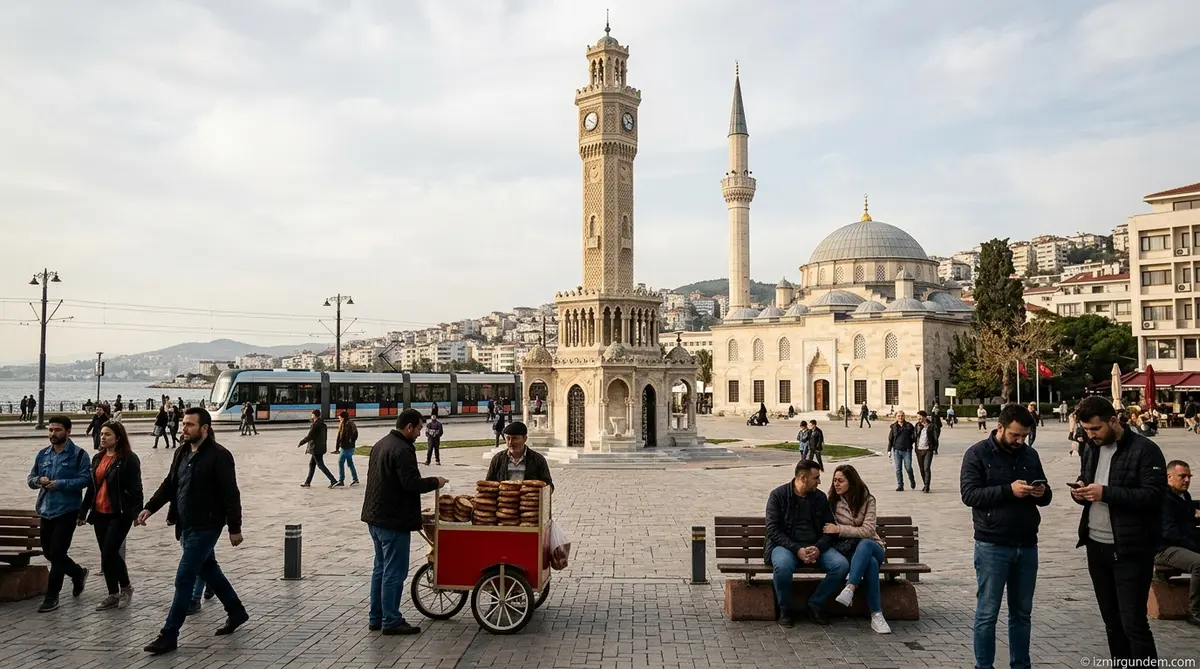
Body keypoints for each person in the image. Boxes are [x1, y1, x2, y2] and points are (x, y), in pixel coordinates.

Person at [138, 407, 248, 655]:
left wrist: (235, 528)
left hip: (207, 525)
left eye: (189, 424)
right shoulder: (182, 452)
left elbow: (231, 494)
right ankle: (236, 611)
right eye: (183, 424)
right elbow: (170, 484)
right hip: (185, 524)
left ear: (204, 428)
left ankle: (169, 635)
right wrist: (149, 508)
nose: (184, 428)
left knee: (184, 577)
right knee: (209, 570)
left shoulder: (220, 456)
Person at [1070, 395, 1167, 663]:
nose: (1091, 435)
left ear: (1114, 421)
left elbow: (1154, 496)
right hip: (1096, 545)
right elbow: (1089, 481)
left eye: (1096, 429)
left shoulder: (1145, 450)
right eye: (1086, 430)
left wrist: (1106, 493)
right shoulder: (1091, 448)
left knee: (1133, 623)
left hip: (1131, 549)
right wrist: (1081, 491)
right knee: (1111, 623)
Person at [960, 403, 1050, 669]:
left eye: (1024, 436)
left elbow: (1046, 495)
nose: (1020, 441)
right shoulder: (977, 454)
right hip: (992, 543)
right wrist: (1008, 490)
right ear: (1000, 427)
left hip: (1027, 542)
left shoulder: (1030, 454)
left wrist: (1041, 492)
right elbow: (970, 495)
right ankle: (984, 665)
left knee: (1022, 613)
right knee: (987, 613)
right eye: (1015, 435)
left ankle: (1021, 665)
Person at [360, 409, 447, 635]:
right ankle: (391, 620)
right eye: (418, 428)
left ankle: (376, 617)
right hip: (393, 520)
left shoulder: (380, 444)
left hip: (375, 517)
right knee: (394, 572)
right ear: (409, 427)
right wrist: (435, 481)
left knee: (380, 569)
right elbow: (411, 483)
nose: (420, 433)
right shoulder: (402, 449)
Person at [764, 460, 842, 627]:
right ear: (802, 478)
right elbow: (772, 530)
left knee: (841, 565)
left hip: (816, 547)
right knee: (782, 566)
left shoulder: (820, 497)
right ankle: (786, 610)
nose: (819, 482)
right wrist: (796, 549)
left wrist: (819, 548)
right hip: (785, 547)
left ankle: (816, 604)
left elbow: (829, 529)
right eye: (816, 478)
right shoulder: (778, 495)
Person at [27, 415, 92, 613]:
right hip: (46, 510)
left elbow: (85, 479)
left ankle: (52, 596)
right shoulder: (43, 454)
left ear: (68, 432)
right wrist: (39, 481)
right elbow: (31, 478)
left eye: (57, 430)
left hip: (67, 510)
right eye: (51, 430)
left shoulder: (79, 455)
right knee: (49, 553)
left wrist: (61, 484)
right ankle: (77, 573)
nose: (53, 434)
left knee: (57, 553)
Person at [77, 420, 142, 611]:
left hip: (119, 513)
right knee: (105, 555)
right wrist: (83, 510)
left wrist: (137, 512)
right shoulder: (98, 458)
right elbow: (92, 487)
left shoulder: (129, 459)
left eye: (107, 434)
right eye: (102, 434)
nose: (103, 437)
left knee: (109, 551)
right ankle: (112, 593)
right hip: (99, 512)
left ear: (118, 437)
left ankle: (126, 587)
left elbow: (136, 487)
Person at [824, 465, 891, 634]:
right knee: (871, 564)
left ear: (851, 482)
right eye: (834, 480)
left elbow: (868, 531)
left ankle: (851, 587)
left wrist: (840, 529)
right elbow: (828, 528)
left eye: (841, 480)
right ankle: (876, 615)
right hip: (850, 551)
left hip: (873, 546)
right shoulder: (831, 501)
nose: (836, 484)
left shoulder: (868, 500)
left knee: (866, 544)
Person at [1155, 460, 1200, 626]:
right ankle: (1195, 612)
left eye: (1189, 476)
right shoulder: (1163, 499)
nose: (1187, 480)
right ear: (1169, 477)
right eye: (1182, 476)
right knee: (1198, 564)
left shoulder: (1183, 495)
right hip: (1164, 549)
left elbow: (1187, 515)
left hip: (1182, 543)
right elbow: (1171, 534)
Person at [486, 422, 554, 487]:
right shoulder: (498, 459)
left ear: (525, 439)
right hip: (503, 495)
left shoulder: (538, 460)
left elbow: (548, 485)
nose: (510, 442)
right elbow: (488, 483)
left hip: (529, 496)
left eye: (515, 438)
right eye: (508, 438)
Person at [298, 409, 336, 488]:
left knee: (320, 465)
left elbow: (310, 436)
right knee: (312, 464)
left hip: (316, 448)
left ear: (314, 415)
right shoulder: (323, 424)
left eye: (312, 414)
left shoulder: (315, 425)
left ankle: (333, 480)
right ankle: (307, 482)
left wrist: (301, 442)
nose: (311, 416)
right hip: (321, 447)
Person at [887, 411, 916, 491]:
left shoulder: (909, 426)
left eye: (902, 416)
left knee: (908, 467)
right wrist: (889, 450)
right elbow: (890, 439)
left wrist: (909, 443)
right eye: (899, 416)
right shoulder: (894, 427)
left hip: (907, 450)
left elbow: (914, 436)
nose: (900, 417)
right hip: (896, 450)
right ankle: (900, 485)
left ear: (904, 416)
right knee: (898, 469)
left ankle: (912, 479)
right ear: (896, 417)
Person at [914, 410, 939, 493]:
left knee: (926, 468)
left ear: (924, 417)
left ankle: (927, 486)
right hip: (919, 450)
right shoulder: (917, 425)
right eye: (917, 418)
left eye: (920, 417)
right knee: (921, 469)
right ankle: (925, 484)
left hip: (928, 450)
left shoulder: (931, 426)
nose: (919, 419)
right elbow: (914, 436)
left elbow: (935, 438)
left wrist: (935, 448)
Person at [335, 411, 359, 486]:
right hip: (347, 446)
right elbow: (339, 436)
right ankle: (355, 478)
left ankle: (341, 480)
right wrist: (337, 447)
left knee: (340, 462)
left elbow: (354, 434)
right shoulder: (344, 423)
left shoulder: (348, 424)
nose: (338, 417)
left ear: (343, 417)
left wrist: (350, 440)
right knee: (350, 462)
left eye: (339, 416)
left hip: (347, 447)